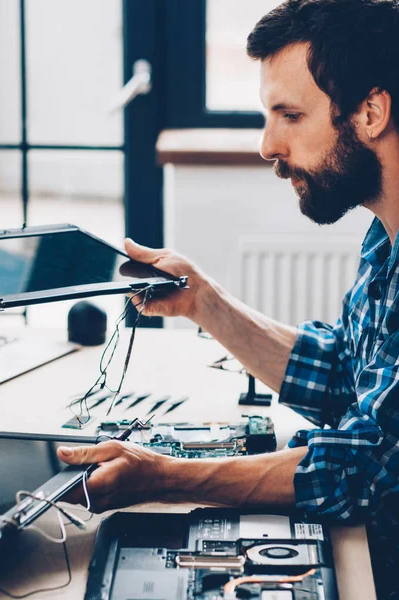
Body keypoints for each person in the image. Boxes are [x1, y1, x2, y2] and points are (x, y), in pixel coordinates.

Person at [58, 1, 399, 596]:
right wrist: (201, 301)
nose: (268, 145)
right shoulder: (384, 236)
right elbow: (344, 374)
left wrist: (162, 477)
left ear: (371, 111)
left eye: (289, 115)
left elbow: (357, 469)